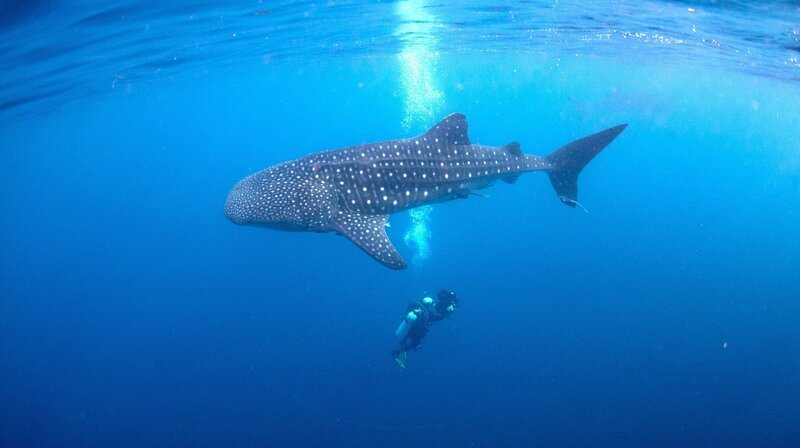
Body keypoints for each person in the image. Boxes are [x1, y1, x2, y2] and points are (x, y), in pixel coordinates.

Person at [392, 289, 459, 368]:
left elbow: (408, 309)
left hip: (409, 326)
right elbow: (438, 318)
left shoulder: (417, 305)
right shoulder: (426, 314)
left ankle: (401, 347)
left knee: (407, 336)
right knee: (414, 344)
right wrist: (446, 312)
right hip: (415, 330)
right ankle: (398, 352)